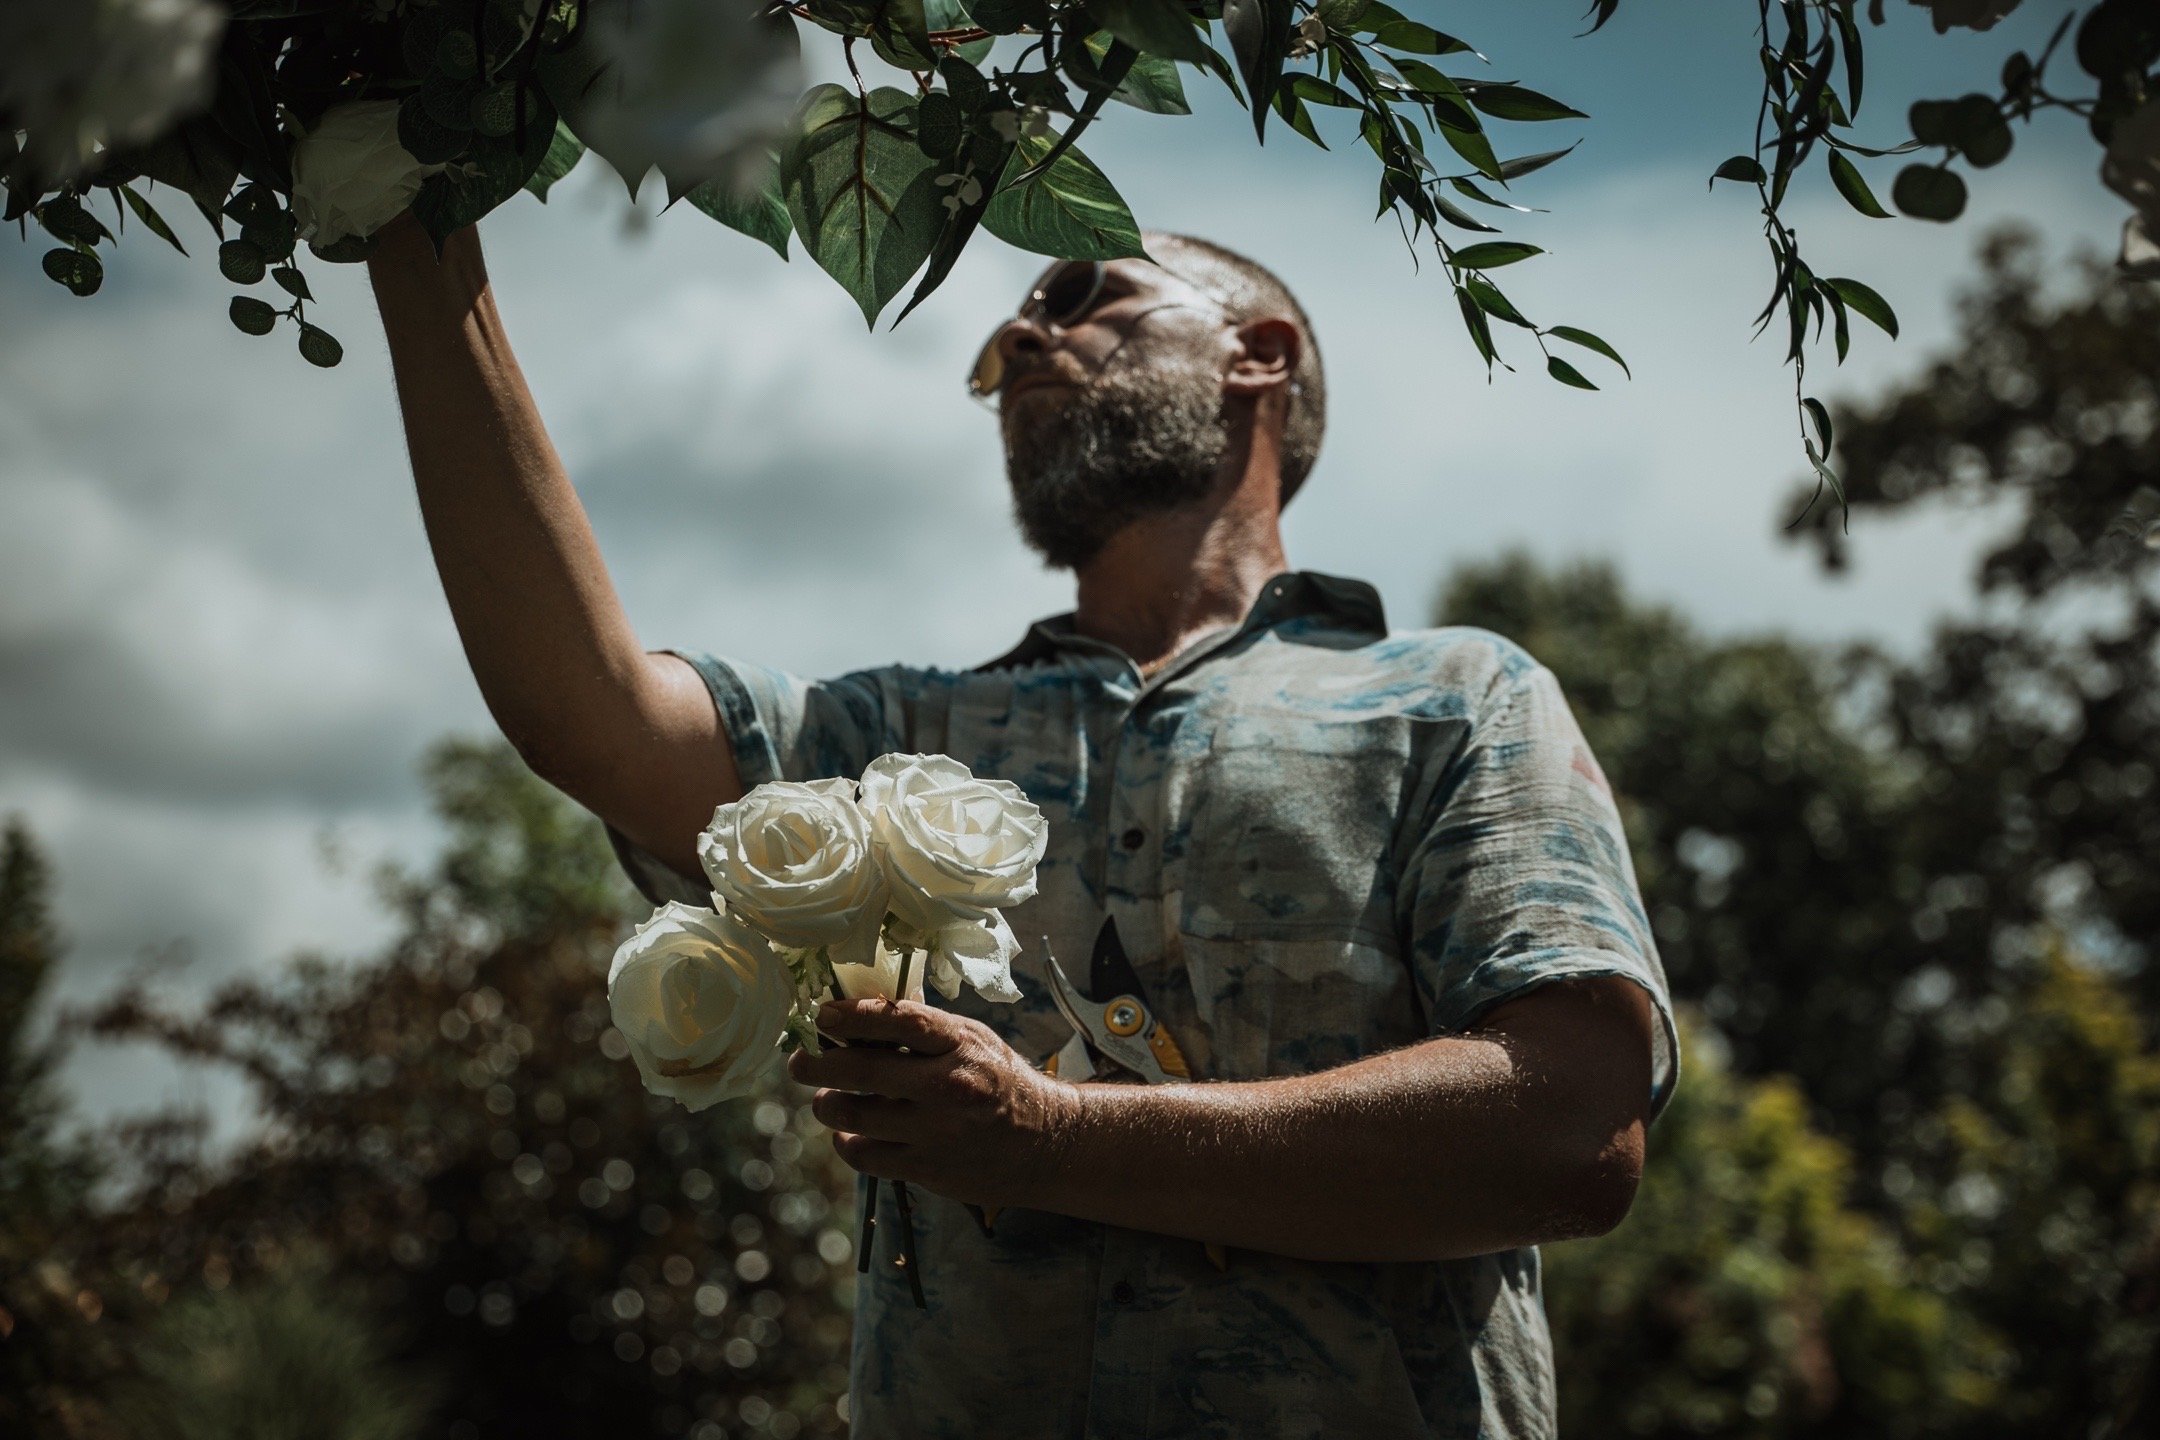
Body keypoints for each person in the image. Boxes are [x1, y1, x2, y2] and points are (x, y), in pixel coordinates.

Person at [368, 214, 1677, 1439]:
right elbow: (590, 719)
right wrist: (421, 246)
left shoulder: (1454, 701)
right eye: (1005, 343)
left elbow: (1567, 1135)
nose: (1025, 342)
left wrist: (1046, 1141)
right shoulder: (902, 741)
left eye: (1081, 296)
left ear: (1256, 356)